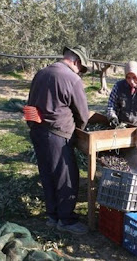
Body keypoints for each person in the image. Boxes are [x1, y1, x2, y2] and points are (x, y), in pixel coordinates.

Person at [26, 45, 90, 234]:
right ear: (76, 61)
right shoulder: (72, 79)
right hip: (58, 134)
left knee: (47, 174)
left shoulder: (42, 73)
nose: (81, 71)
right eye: (81, 67)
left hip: (37, 130)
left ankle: (52, 216)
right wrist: (80, 132)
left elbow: (30, 102)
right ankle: (66, 220)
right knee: (66, 177)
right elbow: (83, 115)